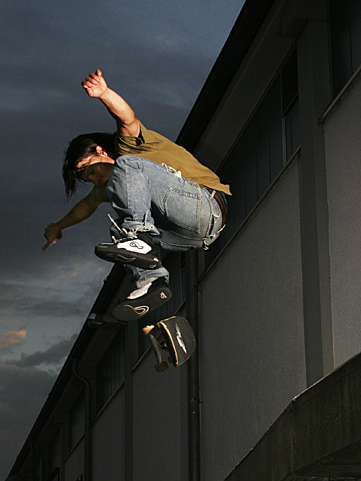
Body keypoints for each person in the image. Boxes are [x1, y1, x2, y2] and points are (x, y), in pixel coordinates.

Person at [43, 69, 230, 320]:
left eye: (93, 170)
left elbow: (127, 119)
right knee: (118, 228)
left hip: (206, 206)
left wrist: (105, 94)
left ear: (100, 151)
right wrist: (58, 225)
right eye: (89, 179)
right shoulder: (119, 185)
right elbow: (87, 205)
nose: (96, 179)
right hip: (194, 237)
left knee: (128, 165)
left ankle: (139, 237)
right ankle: (151, 281)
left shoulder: (126, 148)